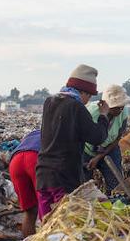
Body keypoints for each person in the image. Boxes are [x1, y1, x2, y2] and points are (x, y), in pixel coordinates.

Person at [34, 65, 110, 218]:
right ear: (83, 91)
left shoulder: (49, 102)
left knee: (46, 227)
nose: (88, 101)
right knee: (62, 227)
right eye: (89, 96)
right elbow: (97, 137)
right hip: (63, 177)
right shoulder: (76, 106)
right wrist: (103, 115)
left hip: (43, 175)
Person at [84, 85, 130, 193]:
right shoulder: (90, 113)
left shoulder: (123, 113)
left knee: (115, 184)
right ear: (106, 105)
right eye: (117, 107)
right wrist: (91, 157)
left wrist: (99, 157)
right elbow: (78, 137)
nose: (121, 109)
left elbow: (117, 138)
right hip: (86, 150)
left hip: (109, 148)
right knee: (86, 186)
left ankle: (114, 204)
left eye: (122, 106)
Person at [8, 129, 41, 237]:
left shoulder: (34, 132)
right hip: (35, 159)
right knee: (47, 209)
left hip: (15, 161)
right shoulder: (56, 133)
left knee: (30, 211)